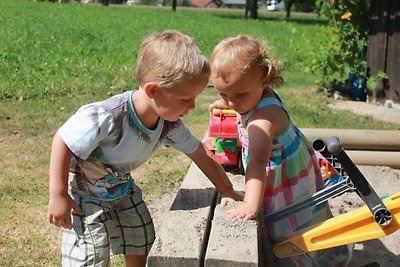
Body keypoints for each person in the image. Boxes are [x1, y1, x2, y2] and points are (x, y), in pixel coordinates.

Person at [47, 30, 241, 267]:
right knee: (91, 254)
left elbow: (200, 153)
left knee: (141, 237)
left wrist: (227, 189)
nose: (191, 106)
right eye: (185, 99)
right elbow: (63, 140)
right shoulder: (108, 117)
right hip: (84, 195)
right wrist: (58, 194)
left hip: (121, 189)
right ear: (153, 90)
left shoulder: (168, 124)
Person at [208, 35, 353, 266]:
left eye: (238, 95)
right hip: (293, 170)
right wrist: (228, 104)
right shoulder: (254, 95)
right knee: (305, 216)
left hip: (286, 182)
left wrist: (250, 204)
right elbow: (239, 100)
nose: (231, 102)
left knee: (290, 225)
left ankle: (306, 259)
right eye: (223, 94)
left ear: (264, 80)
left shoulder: (262, 120)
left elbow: (256, 162)